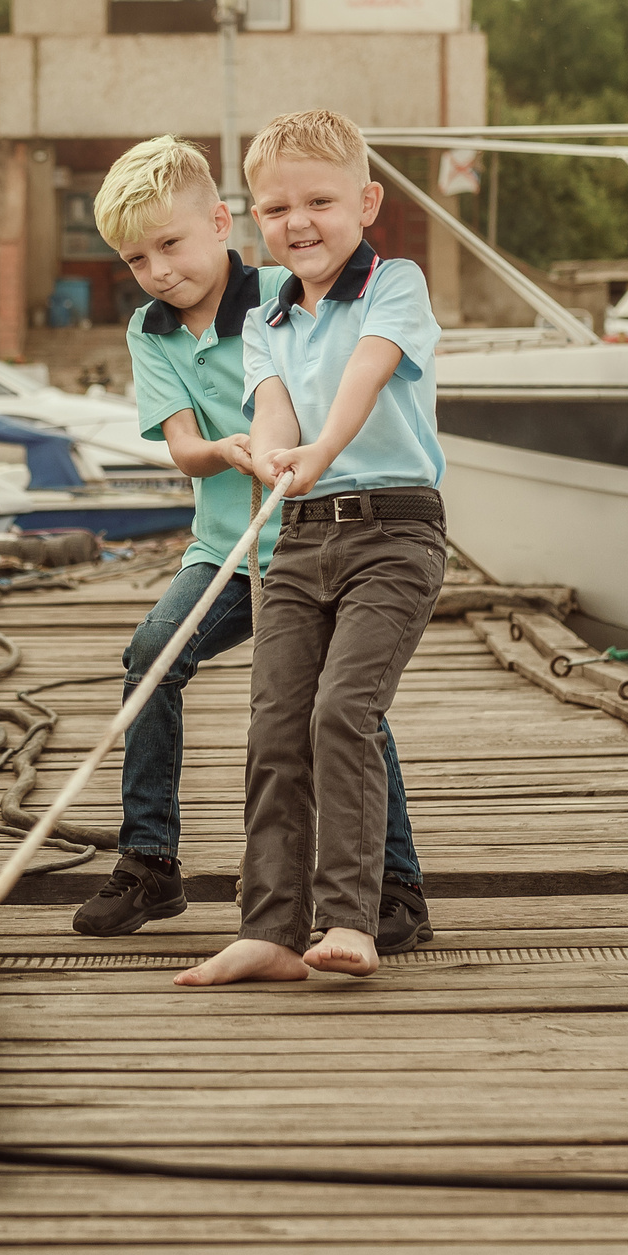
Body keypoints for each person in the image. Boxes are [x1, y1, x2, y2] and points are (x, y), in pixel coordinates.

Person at [70, 133, 432, 949]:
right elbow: (184, 447)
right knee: (152, 657)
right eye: (138, 259)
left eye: (171, 245)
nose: (160, 270)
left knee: (347, 704)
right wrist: (229, 450)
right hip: (227, 551)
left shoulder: (283, 288)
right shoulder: (152, 329)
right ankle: (149, 859)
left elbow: (337, 370)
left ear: (220, 224)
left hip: (313, 537)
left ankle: (396, 880)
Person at [175, 109, 448, 987]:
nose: (298, 222)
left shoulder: (394, 284)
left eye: (320, 201)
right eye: (277, 207)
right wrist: (270, 452)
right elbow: (272, 412)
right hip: (296, 540)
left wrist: (321, 451)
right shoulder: (265, 315)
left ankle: (349, 918)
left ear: (366, 202)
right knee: (275, 727)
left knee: (343, 711)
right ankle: (270, 928)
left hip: (393, 533)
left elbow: (368, 372)